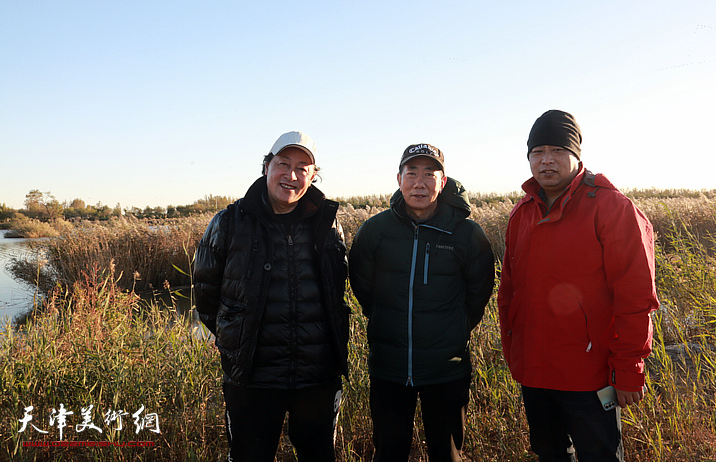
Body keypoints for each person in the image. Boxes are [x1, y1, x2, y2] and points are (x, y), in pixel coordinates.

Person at [498, 110, 660, 462]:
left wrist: (629, 369)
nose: (546, 161)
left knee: (599, 456)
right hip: (536, 374)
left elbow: (635, 297)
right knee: (549, 454)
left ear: (577, 156)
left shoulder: (612, 208)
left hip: (590, 377)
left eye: (557, 150)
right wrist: (516, 356)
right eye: (537, 152)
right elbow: (509, 293)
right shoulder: (522, 213)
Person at [193, 131, 349, 462]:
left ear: (313, 175)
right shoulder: (228, 222)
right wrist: (232, 336)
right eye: (283, 164)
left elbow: (338, 291)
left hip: (317, 375)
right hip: (253, 376)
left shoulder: (328, 223)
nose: (291, 176)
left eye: (302, 168)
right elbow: (205, 295)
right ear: (266, 166)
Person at [349, 143, 496, 462]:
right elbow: (362, 285)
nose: (420, 182)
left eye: (429, 173)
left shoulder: (466, 234)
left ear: (443, 182)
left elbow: (480, 291)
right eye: (411, 172)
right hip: (389, 366)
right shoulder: (375, 230)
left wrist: (454, 327)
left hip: (446, 368)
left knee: (447, 453)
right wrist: (386, 320)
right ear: (398, 178)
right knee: (389, 451)